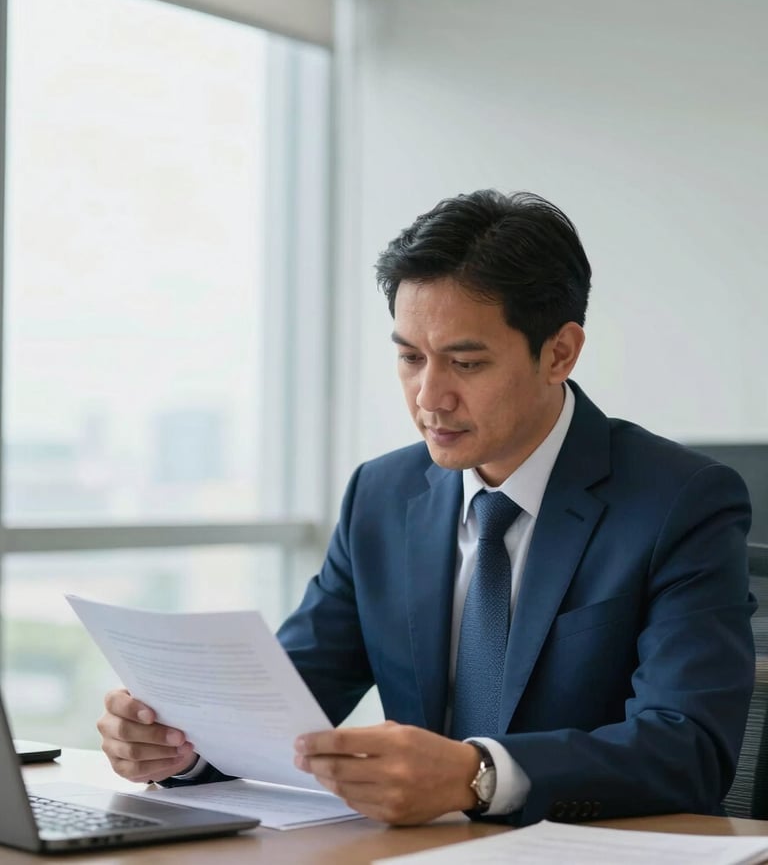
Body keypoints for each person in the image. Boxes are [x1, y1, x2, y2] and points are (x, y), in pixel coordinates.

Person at [97, 190, 755, 827]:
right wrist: (179, 745)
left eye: (465, 363)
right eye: (410, 358)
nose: (429, 397)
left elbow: (689, 749)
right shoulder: (382, 497)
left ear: (559, 352)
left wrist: (479, 776)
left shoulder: (680, 502)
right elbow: (281, 704)